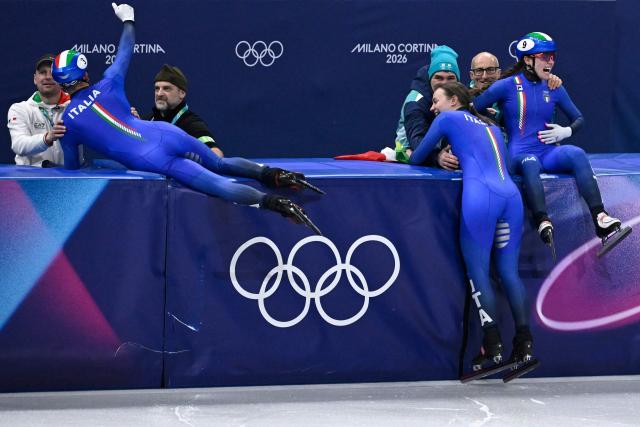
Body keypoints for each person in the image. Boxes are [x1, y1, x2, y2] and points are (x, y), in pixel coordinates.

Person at [52, 3, 322, 235]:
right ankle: (274, 174)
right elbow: (126, 49)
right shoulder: (109, 83)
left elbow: (74, 168)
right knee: (219, 163)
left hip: (149, 157)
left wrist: (93, 161)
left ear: (62, 87)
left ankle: (276, 204)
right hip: (162, 132)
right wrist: (129, 19)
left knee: (219, 185)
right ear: (86, 74)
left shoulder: (68, 123)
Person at [410, 82, 534, 374]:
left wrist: (438, 156)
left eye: (437, 100)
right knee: (508, 274)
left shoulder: (448, 118)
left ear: (454, 101)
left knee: (478, 273)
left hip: (482, 200)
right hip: (511, 200)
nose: (432, 107)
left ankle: (492, 349)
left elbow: (417, 156)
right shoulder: (490, 125)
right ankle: (525, 347)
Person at [473, 32, 630, 257]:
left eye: (552, 56)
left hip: (548, 151)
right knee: (529, 163)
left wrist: (566, 131)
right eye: (544, 56)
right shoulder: (507, 85)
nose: (550, 61)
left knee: (577, 154)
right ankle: (542, 220)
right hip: (520, 153)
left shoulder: (554, 86)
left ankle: (601, 218)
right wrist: (487, 119)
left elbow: (579, 119)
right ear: (527, 60)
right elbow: (473, 105)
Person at [134, 64, 224, 158]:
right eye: (157, 88)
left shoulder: (191, 123)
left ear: (182, 93)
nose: (159, 93)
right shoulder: (148, 120)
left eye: (166, 88)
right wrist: (135, 127)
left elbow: (216, 154)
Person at [395, 45, 460, 170]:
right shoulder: (415, 101)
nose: (445, 84)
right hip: (410, 155)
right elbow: (417, 141)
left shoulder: (459, 94)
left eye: (450, 78)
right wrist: (437, 157)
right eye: (439, 78)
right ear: (430, 77)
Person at [7, 54, 71, 167]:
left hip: (68, 180)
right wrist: (47, 138)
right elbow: (18, 145)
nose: (48, 77)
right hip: (31, 180)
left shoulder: (75, 106)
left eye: (52, 72)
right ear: (35, 79)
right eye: (42, 72)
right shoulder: (20, 109)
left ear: (61, 78)